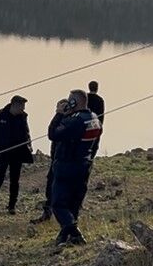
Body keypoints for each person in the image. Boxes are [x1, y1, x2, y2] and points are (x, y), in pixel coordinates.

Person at [47, 90, 103, 246]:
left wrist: (59, 114)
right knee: (73, 204)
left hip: (67, 165)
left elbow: (53, 134)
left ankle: (75, 232)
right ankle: (67, 237)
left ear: (73, 103)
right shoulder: (94, 119)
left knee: (58, 204)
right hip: (84, 164)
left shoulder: (75, 120)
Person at [0, 95, 36, 215]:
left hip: (17, 153)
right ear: (15, 105)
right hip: (2, 152)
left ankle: (11, 207)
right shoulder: (0, 116)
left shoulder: (23, 117)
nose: (23, 109)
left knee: (15, 180)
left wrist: (29, 146)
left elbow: (26, 133)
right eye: (21, 106)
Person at [36, 99, 69, 224]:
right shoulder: (62, 119)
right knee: (50, 187)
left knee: (61, 188)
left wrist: (59, 114)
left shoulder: (70, 120)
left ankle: (65, 218)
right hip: (55, 159)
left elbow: (52, 133)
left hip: (64, 160)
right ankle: (47, 213)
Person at [86, 81, 106, 160]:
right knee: (94, 145)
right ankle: (90, 159)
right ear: (97, 88)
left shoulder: (85, 98)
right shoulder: (100, 100)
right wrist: (100, 127)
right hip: (95, 125)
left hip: (83, 124)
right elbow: (101, 115)